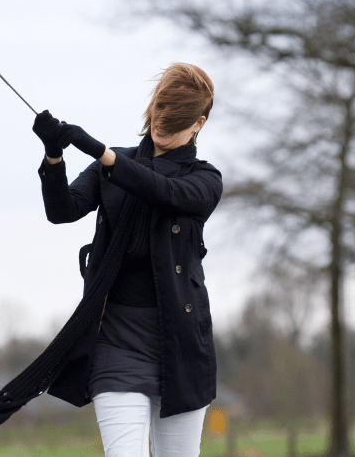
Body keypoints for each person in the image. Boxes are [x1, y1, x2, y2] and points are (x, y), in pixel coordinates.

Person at [31, 63, 222, 457]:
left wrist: (103, 154)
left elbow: (165, 192)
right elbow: (62, 210)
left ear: (199, 123)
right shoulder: (112, 166)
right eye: (158, 117)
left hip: (180, 347)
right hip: (116, 343)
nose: (162, 128)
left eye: (174, 124)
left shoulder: (204, 179)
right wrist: (54, 156)